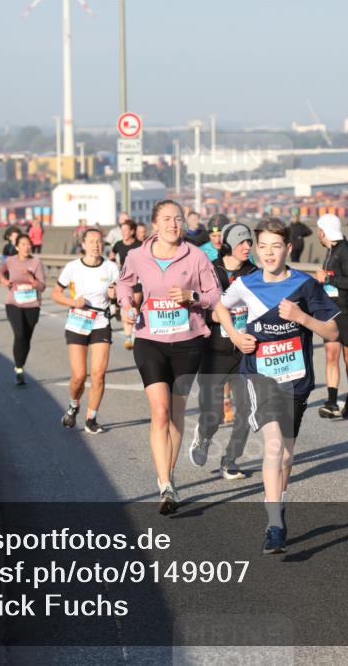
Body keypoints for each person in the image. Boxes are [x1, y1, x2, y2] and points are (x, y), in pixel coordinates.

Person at [215, 217, 340, 554]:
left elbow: (332, 332)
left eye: (276, 246)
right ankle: (274, 525)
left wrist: (302, 318)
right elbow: (219, 309)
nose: (269, 253)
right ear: (257, 250)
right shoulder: (246, 283)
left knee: (286, 454)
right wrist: (237, 336)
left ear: (288, 248)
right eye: (263, 247)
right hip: (260, 376)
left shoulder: (305, 285)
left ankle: (278, 503)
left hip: (296, 379)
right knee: (273, 447)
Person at [116, 200, 221, 515]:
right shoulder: (138, 256)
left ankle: (169, 474)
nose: (173, 224)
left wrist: (192, 297)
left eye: (178, 219)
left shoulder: (197, 256)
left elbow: (215, 295)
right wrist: (126, 304)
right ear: (154, 225)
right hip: (150, 340)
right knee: (160, 412)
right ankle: (164, 485)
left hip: (187, 343)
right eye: (166, 219)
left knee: (176, 413)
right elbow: (124, 283)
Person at [189, 222, 259, 479]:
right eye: (242, 241)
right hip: (214, 351)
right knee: (214, 414)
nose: (247, 246)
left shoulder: (254, 273)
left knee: (247, 410)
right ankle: (204, 436)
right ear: (229, 243)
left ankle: (230, 460)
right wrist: (213, 315)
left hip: (245, 352)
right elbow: (196, 306)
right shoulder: (209, 271)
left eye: (249, 241)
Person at [52, 228, 120, 433]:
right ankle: (74, 406)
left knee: (98, 374)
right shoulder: (73, 267)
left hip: (101, 322)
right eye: (91, 242)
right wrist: (73, 302)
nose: (96, 245)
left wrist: (115, 296)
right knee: (79, 376)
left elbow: (121, 294)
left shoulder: (111, 267)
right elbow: (56, 294)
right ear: (83, 244)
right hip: (78, 321)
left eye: (99, 241)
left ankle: (91, 419)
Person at [314, 213, 348, 419]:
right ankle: (332, 402)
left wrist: (327, 279)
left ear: (323, 232)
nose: (318, 234)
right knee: (331, 354)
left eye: (319, 230)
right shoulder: (330, 252)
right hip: (332, 312)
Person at [0, 234, 46, 385]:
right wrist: (4, 280)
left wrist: (32, 279)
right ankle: (19, 369)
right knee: (19, 335)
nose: (26, 247)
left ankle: (20, 364)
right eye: (23, 244)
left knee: (26, 338)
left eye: (28, 244)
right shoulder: (10, 260)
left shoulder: (36, 262)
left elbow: (42, 287)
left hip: (32, 305)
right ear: (17, 247)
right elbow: (0, 272)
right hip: (14, 304)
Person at [110, 218, 142, 350]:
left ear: (132, 231)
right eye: (121, 230)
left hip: (138, 280)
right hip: (124, 280)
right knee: (126, 306)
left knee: (134, 306)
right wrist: (114, 265)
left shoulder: (139, 245)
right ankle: (128, 337)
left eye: (126, 230)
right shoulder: (118, 244)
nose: (123, 233)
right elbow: (111, 256)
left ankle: (136, 332)